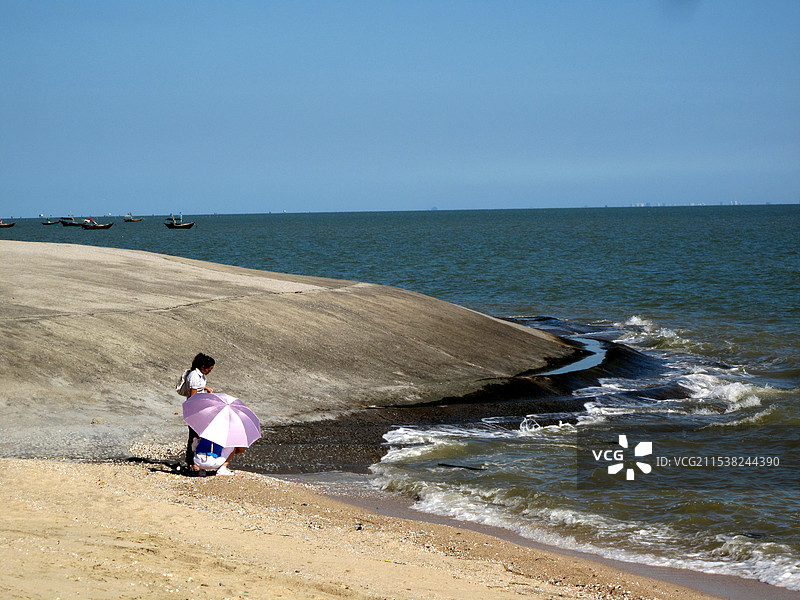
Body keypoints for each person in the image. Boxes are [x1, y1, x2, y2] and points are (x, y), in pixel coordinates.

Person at [182, 353, 216, 466]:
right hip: (194, 410)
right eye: (209, 369)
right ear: (203, 367)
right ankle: (191, 462)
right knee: (194, 436)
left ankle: (194, 461)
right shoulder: (194, 376)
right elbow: (193, 397)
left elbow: (197, 387)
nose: (210, 371)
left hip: (199, 409)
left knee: (197, 435)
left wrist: (206, 388)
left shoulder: (200, 375)